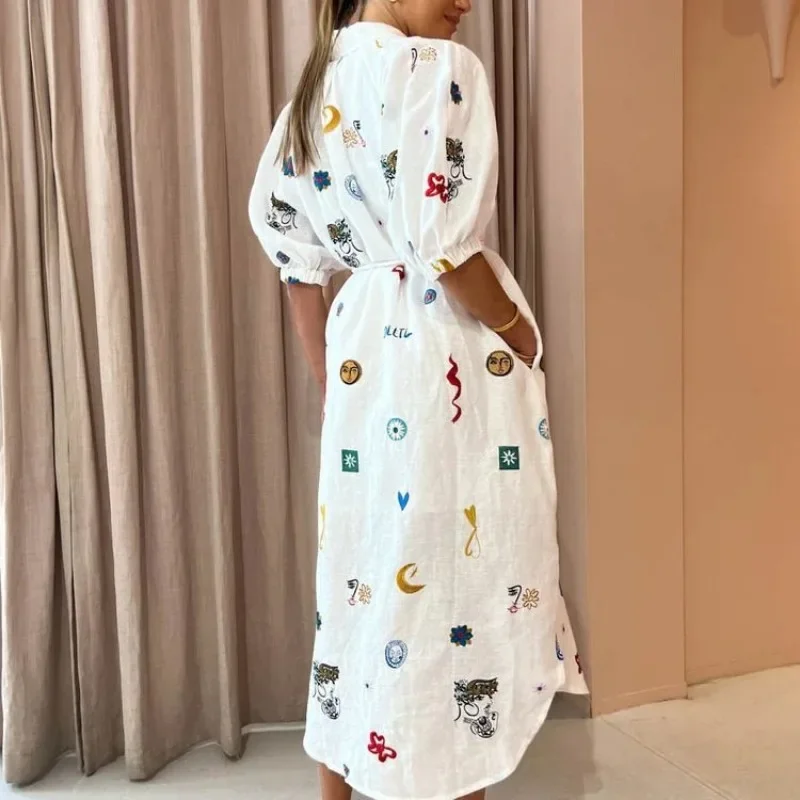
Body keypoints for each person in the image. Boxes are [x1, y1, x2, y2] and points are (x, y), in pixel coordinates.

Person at [249, 1, 587, 798]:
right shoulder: (436, 71)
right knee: (458, 568)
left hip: (363, 349)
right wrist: (517, 331)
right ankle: (456, 775)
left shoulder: (312, 91)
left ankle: (340, 784)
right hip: (443, 349)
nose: (466, 1)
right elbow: (444, 247)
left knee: (360, 571)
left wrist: (331, 376)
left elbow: (294, 255)